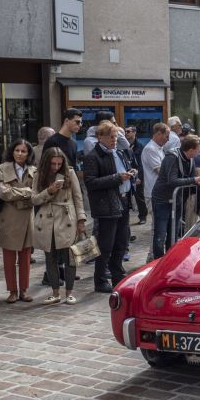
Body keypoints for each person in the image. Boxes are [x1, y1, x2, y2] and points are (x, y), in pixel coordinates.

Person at [83, 122, 135, 293]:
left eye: (116, 137)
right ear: (100, 137)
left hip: (122, 202)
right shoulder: (93, 156)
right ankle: (100, 279)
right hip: (106, 206)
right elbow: (90, 182)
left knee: (121, 242)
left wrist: (131, 174)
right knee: (105, 245)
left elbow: (123, 171)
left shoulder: (117, 152)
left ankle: (117, 275)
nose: (114, 140)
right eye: (111, 137)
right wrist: (117, 178)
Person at [32, 147, 86, 304]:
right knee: (51, 258)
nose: (56, 167)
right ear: (46, 162)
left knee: (70, 258)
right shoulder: (38, 175)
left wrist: (81, 220)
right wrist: (49, 190)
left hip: (67, 219)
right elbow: (34, 199)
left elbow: (78, 197)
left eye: (58, 163)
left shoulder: (69, 173)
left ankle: (69, 292)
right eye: (52, 164)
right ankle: (55, 293)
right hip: (47, 221)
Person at [0, 139, 37, 304]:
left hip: (27, 217)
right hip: (9, 217)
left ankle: (24, 290)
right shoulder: (2, 168)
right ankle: (12, 290)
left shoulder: (34, 169)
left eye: (23, 151)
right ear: (12, 151)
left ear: (28, 154)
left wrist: (20, 192)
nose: (20, 154)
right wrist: (26, 192)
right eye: (17, 150)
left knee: (26, 257)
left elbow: (36, 192)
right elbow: (3, 193)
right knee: (9, 256)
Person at [151, 135, 200, 258]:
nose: (199, 152)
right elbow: (172, 180)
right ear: (191, 149)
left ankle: (171, 258)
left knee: (174, 233)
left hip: (177, 199)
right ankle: (158, 260)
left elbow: (191, 179)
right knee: (161, 233)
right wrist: (195, 179)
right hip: (162, 199)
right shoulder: (172, 157)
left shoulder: (190, 159)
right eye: (198, 149)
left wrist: (199, 182)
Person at [124, 126, 147, 225]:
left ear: (134, 132)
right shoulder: (124, 145)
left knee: (139, 197)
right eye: (125, 131)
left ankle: (143, 216)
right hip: (127, 174)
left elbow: (142, 163)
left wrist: (139, 177)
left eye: (128, 131)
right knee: (126, 198)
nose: (126, 133)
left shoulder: (140, 146)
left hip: (137, 174)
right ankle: (125, 218)